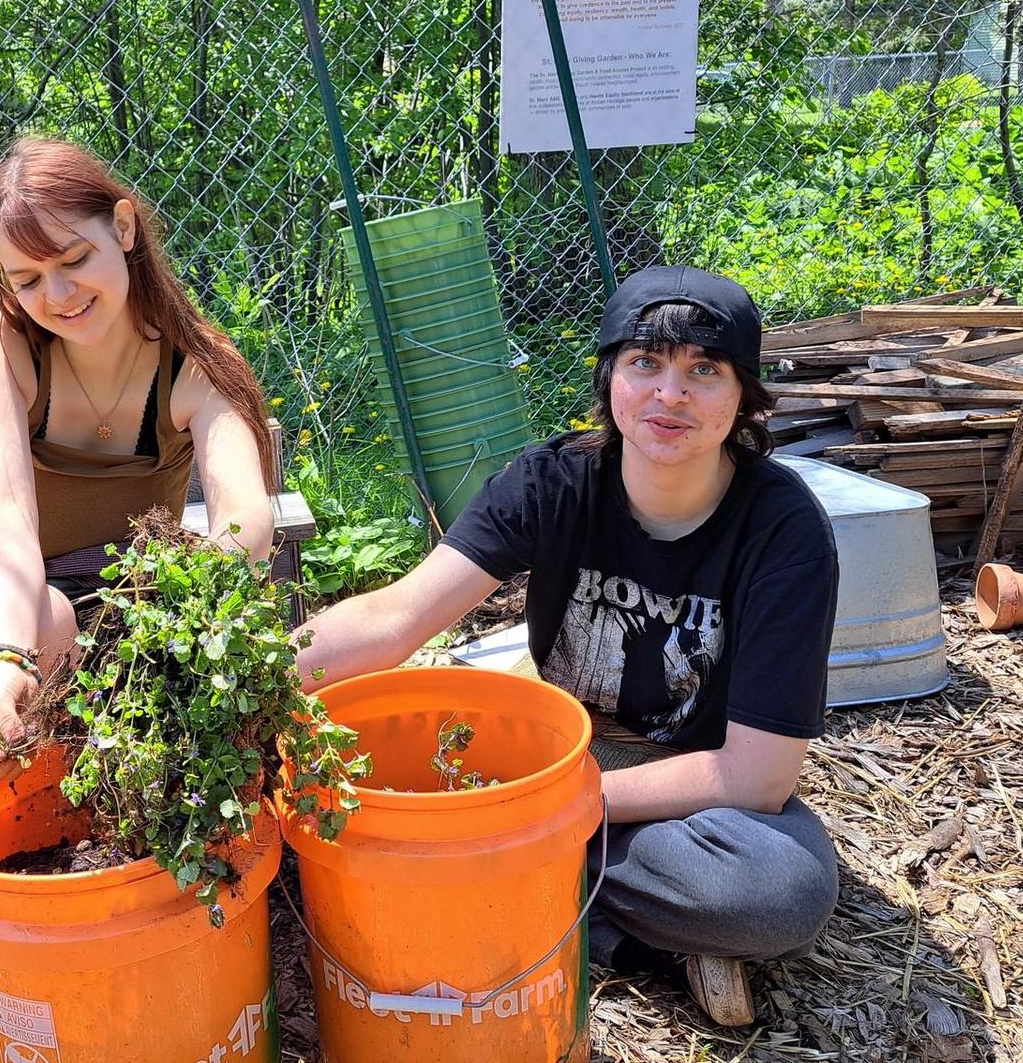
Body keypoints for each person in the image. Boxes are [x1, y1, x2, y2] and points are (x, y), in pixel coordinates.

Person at [295, 265, 840, 1025]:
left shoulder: (783, 532)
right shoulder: (553, 482)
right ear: (609, 376)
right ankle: (633, 934)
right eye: (645, 362)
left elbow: (756, 777)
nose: (669, 394)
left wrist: (526, 817)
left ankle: (497, 877)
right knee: (315, 803)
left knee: (779, 896)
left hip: (690, 792)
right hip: (559, 749)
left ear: (742, 397)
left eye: (703, 371)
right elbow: (398, 616)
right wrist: (257, 677)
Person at [0, 137, 277, 779]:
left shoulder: (198, 366)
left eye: (74, 259)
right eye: (29, 279)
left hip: (127, 602)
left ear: (123, 228)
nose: (59, 294)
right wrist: (6, 654)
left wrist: (188, 623)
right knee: (52, 622)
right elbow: (1, 510)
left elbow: (244, 519)